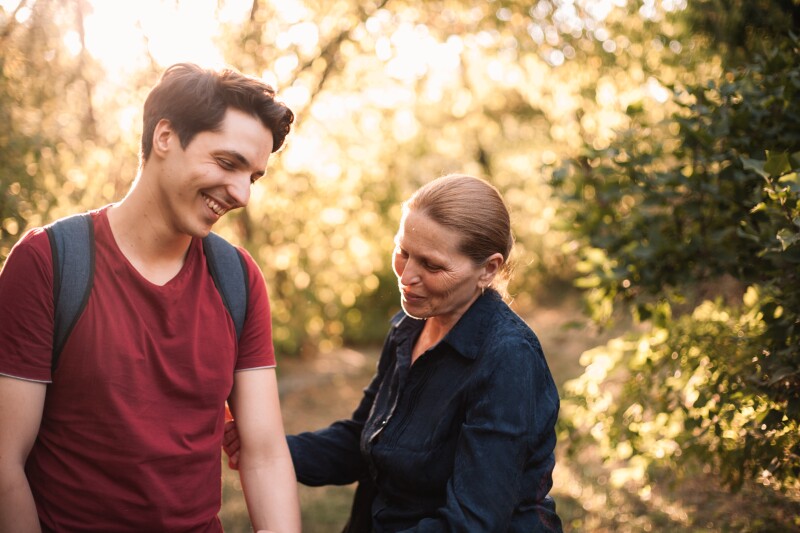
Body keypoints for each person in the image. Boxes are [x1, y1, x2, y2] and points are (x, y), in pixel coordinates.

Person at [0, 63, 301, 532]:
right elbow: (5, 465)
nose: (242, 193)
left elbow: (263, 454)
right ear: (165, 137)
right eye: (227, 163)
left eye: (254, 177)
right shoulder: (48, 263)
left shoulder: (239, 278)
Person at [225, 174, 563, 531]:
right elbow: (366, 439)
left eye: (431, 265)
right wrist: (272, 450)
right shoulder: (411, 324)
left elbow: (472, 522)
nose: (407, 276)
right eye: (403, 252)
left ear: (488, 269)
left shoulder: (508, 359)